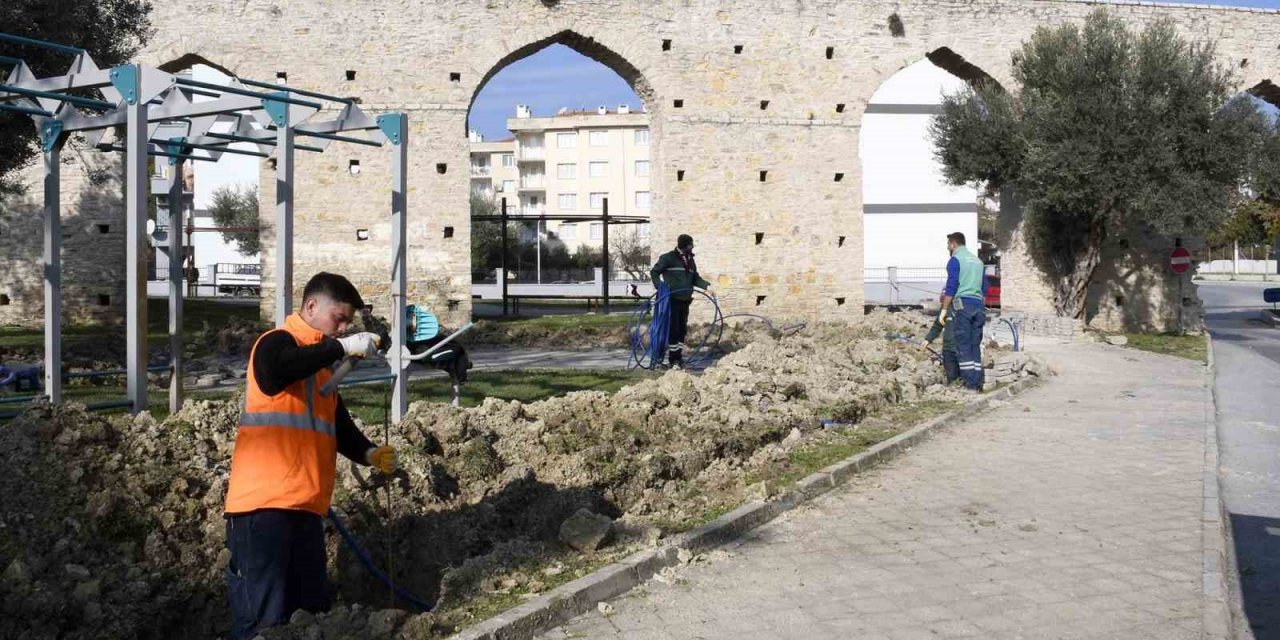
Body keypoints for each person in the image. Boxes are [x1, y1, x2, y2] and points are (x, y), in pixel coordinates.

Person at [223, 272, 397, 639]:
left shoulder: (319, 371)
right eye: (340, 318)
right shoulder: (275, 344)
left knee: (311, 619)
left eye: (349, 322)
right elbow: (275, 373)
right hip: (263, 510)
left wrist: (369, 453)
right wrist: (341, 348)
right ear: (312, 306)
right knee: (264, 624)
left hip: (305, 510)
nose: (345, 327)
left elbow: (339, 427)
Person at [649, 234, 712, 369]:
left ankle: (679, 357)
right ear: (684, 245)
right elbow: (654, 272)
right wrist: (660, 287)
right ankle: (673, 359)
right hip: (672, 299)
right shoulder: (668, 258)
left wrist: (707, 287)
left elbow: (695, 278)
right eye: (690, 245)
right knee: (674, 329)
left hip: (685, 300)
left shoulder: (690, 261)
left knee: (682, 329)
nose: (692, 247)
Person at [939, 232, 986, 391]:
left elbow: (951, 286)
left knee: (963, 345)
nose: (948, 248)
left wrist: (944, 309)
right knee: (975, 345)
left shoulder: (955, 260)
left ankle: (969, 386)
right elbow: (984, 286)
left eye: (948, 245)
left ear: (953, 244)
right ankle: (977, 382)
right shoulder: (978, 262)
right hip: (978, 306)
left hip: (963, 305)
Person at [922, 303, 960, 384]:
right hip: (948, 350)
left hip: (965, 350)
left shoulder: (969, 304)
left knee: (965, 378)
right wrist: (928, 339)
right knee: (951, 377)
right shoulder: (946, 307)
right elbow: (937, 325)